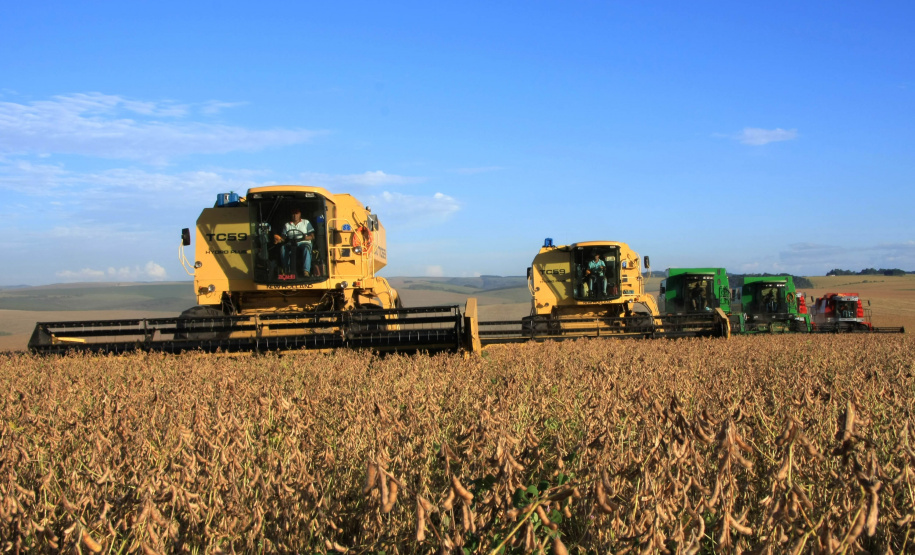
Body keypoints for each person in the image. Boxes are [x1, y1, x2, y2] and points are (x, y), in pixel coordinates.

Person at [274, 208, 314, 276]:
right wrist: (278, 239)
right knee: (283, 248)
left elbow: (312, 236)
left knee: (307, 248)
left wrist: (305, 237)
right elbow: (283, 238)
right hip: (291, 243)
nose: (295, 216)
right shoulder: (287, 225)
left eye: (296, 213)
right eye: (293, 214)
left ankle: (306, 271)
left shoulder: (306, 222)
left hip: (304, 242)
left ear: (300, 214)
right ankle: (286, 269)